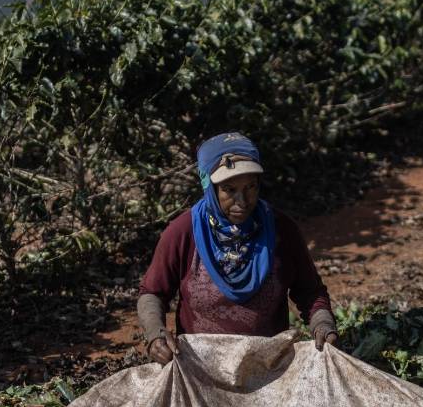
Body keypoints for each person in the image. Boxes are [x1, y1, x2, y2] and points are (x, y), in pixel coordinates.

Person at [137, 132, 338, 364]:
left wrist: (323, 324)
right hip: (202, 367)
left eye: (251, 187)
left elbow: (310, 291)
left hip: (268, 364)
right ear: (209, 186)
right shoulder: (183, 232)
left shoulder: (281, 229)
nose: (242, 201)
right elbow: (152, 292)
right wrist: (156, 335)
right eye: (229, 190)